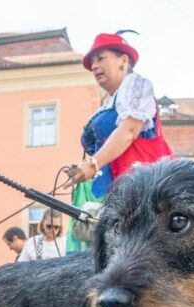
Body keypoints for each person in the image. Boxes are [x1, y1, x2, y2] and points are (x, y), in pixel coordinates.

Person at [66, 32, 172, 253]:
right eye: (92, 62)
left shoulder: (135, 85)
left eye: (100, 58)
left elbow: (129, 130)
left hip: (141, 190)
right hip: (109, 193)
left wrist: (93, 164)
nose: (94, 66)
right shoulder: (107, 103)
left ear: (124, 60)